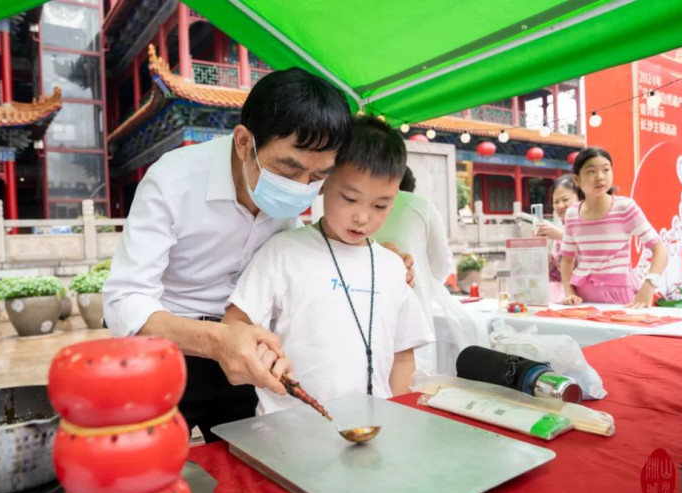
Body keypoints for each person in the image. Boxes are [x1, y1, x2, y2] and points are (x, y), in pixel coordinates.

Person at [102, 68, 354, 440]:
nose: (301, 190)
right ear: (243, 143)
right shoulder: (172, 180)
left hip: (246, 348)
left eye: (318, 178)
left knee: (253, 467)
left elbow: (303, 254)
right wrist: (216, 340)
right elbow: (124, 298)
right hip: (170, 346)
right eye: (288, 169)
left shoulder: (298, 196)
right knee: (146, 461)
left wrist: (369, 256)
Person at [223, 116, 434, 414]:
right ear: (322, 182)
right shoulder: (283, 251)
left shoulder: (392, 267)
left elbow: (402, 356)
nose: (363, 217)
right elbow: (235, 323)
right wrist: (261, 357)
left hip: (375, 430)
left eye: (380, 205)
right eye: (350, 198)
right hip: (290, 430)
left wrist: (402, 418)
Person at [374, 166, 489, 374]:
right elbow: (442, 265)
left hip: (365, 307)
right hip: (412, 304)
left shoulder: (359, 207)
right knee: (413, 378)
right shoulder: (420, 205)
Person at [560, 147, 667, 308]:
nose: (600, 177)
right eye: (591, 171)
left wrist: (649, 285)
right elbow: (566, 260)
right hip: (583, 297)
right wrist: (570, 292)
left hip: (621, 295)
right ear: (576, 179)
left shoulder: (625, 207)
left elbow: (660, 249)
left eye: (606, 170)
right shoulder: (572, 214)